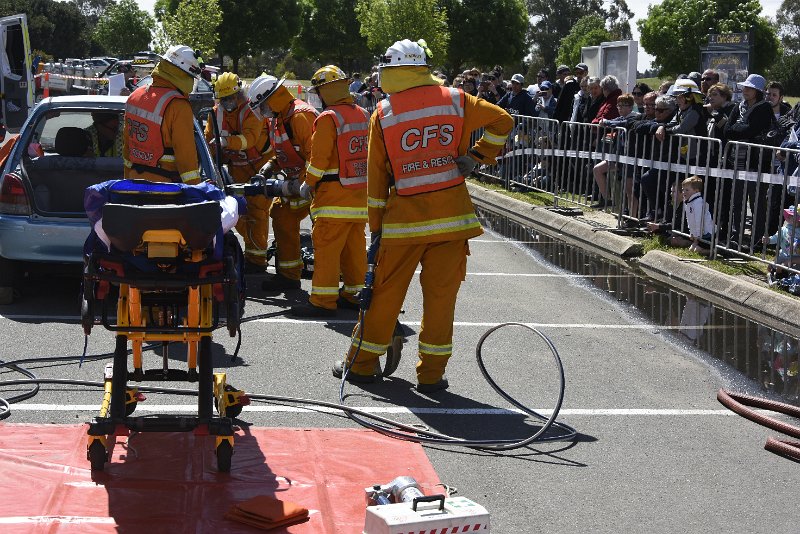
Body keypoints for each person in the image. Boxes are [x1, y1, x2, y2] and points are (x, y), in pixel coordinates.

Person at [333, 38, 513, 392]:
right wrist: (476, 158)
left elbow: (377, 182)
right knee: (441, 301)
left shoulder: (383, 113)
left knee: (384, 296)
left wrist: (375, 231)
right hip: (452, 221)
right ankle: (431, 376)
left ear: (394, 70)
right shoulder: (457, 99)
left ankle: (363, 364)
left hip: (403, 226)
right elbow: (503, 122)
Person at [289, 65, 368, 317]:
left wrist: (308, 183)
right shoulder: (364, 114)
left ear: (326, 91)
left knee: (327, 249)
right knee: (354, 248)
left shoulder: (328, 118)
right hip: (359, 195)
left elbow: (319, 158)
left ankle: (323, 301)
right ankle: (354, 294)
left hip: (333, 196)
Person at [247, 73, 319, 291]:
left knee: (325, 234)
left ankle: (333, 285)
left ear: (274, 98)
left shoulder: (300, 116)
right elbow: (284, 151)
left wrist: (301, 184)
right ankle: (289, 275)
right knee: (281, 215)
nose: (264, 111)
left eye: (264, 105)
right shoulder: (279, 119)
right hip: (297, 182)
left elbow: (314, 156)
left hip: (315, 185)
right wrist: (270, 167)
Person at [204, 72, 271, 272]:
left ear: (239, 93)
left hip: (261, 166)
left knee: (258, 213)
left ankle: (257, 261)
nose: (228, 102)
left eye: (231, 98)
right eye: (223, 99)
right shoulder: (215, 113)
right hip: (237, 168)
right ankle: (253, 252)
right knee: (239, 212)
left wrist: (226, 142)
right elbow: (209, 141)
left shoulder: (253, 111)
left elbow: (249, 139)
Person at [123, 44, 202, 184]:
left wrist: (127, 182)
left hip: (134, 183)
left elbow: (127, 149)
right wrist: (196, 190)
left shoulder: (134, 96)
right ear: (184, 75)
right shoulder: (178, 105)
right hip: (165, 190)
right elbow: (186, 158)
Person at [671, 175, 714, 255]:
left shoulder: (698, 203)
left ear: (696, 191)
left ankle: (714, 251)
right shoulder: (689, 202)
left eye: (687, 190)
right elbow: (690, 220)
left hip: (706, 234)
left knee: (696, 251)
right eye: (683, 190)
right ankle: (700, 245)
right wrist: (692, 233)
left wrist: (697, 236)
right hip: (698, 234)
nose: (684, 192)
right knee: (692, 249)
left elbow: (699, 220)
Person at [763, 205, 800, 283]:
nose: (792, 219)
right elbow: (776, 238)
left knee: (784, 266)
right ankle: (772, 275)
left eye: (794, 217)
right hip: (783, 254)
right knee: (771, 266)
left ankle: (781, 278)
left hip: (796, 257)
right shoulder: (784, 229)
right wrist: (769, 240)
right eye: (790, 216)